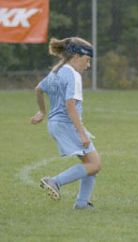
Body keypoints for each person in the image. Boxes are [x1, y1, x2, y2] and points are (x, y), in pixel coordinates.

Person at [31, 37, 101, 209]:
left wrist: (42, 111)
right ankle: (55, 181)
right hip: (67, 124)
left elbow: (39, 89)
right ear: (77, 56)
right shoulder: (73, 75)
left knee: (91, 164)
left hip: (56, 124)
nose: (88, 65)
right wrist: (82, 133)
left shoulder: (57, 71)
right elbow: (70, 105)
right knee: (94, 164)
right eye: (87, 60)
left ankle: (82, 203)